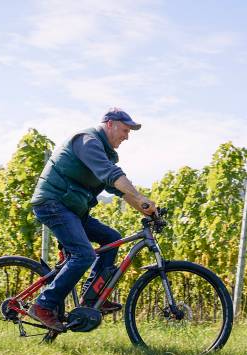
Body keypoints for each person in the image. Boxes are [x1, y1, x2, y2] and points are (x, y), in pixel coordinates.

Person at [28, 108, 157, 332]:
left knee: (111, 238)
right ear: (110, 124)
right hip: (53, 203)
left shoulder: (104, 152)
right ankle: (43, 305)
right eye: (125, 130)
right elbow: (111, 174)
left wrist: (148, 211)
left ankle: (93, 296)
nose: (127, 136)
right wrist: (140, 197)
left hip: (72, 209)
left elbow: (120, 190)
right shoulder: (87, 141)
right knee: (84, 254)